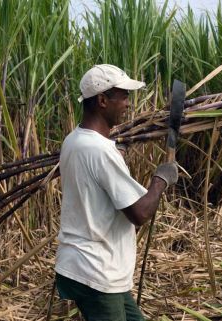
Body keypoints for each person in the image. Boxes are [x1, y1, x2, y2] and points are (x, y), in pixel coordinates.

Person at [55, 64, 178, 321]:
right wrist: (161, 179)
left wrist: (113, 157)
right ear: (102, 100)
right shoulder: (99, 151)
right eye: (123, 96)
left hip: (90, 266)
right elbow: (139, 214)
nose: (127, 104)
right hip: (96, 271)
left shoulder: (74, 140)